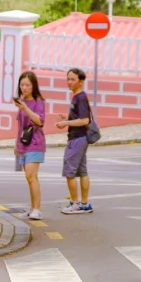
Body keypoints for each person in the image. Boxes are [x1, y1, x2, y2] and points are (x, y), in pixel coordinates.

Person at [57, 66, 93, 214]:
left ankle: (75, 203)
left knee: (70, 172)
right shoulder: (76, 97)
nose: (69, 82)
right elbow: (79, 117)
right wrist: (67, 118)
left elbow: (85, 120)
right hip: (80, 138)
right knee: (82, 171)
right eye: (68, 79)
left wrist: (66, 123)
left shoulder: (81, 97)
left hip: (77, 138)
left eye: (73, 79)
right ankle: (84, 204)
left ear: (81, 81)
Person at [13, 71, 46, 220]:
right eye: (22, 85)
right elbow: (20, 125)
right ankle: (32, 207)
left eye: (27, 85)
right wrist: (17, 145)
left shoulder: (38, 102)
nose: (24, 88)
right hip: (24, 143)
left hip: (36, 142)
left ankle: (37, 209)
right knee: (29, 178)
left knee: (31, 176)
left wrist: (26, 108)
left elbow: (40, 121)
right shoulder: (21, 101)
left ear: (33, 86)